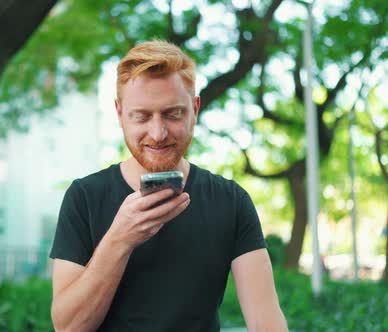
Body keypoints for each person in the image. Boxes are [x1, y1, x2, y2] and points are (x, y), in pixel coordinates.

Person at [49, 40, 288, 332]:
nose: (158, 133)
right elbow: (68, 328)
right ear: (120, 113)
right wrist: (120, 239)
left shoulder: (231, 201)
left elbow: (267, 322)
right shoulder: (84, 197)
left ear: (195, 109)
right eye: (142, 116)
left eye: (172, 114)